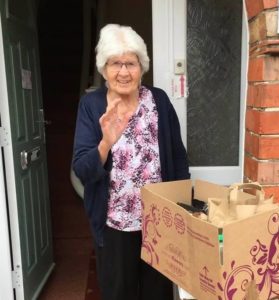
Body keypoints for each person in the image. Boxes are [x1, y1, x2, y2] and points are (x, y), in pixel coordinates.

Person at [72, 23, 190, 300]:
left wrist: (183, 209)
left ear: (141, 67)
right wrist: (105, 144)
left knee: (158, 293)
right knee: (118, 292)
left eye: (131, 63)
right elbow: (82, 169)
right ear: (103, 69)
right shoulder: (91, 106)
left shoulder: (158, 100)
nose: (123, 72)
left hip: (159, 222)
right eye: (115, 63)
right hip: (114, 225)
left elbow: (178, 157)